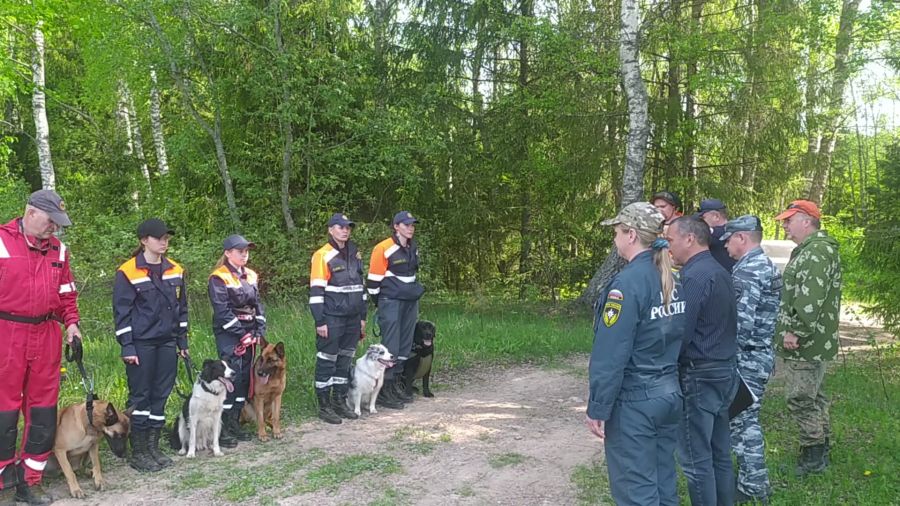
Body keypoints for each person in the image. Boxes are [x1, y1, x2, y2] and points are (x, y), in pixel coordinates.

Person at [586, 202, 686, 506]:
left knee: (636, 491)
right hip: (668, 394)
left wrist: (598, 406)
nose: (615, 238)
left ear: (631, 235)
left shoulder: (627, 284)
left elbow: (611, 352)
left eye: (617, 231)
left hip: (636, 402)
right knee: (663, 482)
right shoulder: (669, 277)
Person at [0, 189, 81, 505]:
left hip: (47, 335)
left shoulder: (59, 250)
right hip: (7, 333)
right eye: (51, 221)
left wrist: (71, 323)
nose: (55, 228)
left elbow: (67, 294)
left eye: (58, 223)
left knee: (43, 414)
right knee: (3, 413)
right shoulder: (2, 241)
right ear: (30, 213)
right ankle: (4, 482)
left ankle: (30, 480)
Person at [666, 216, 739, 506]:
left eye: (671, 239)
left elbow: (682, 330)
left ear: (689, 239)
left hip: (700, 375)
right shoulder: (720, 270)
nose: (668, 247)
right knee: (719, 453)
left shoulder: (694, 277)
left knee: (696, 460)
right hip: (724, 372)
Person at [113, 218, 188, 473]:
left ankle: (154, 446)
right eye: (159, 238)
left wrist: (183, 342)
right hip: (141, 344)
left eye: (167, 238)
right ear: (144, 240)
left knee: (160, 395)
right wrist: (127, 347)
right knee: (141, 396)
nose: (164, 242)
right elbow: (121, 314)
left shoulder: (176, 270)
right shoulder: (128, 271)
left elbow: (182, 309)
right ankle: (139, 450)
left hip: (167, 342)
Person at [774, 200, 841, 476]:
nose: (785, 227)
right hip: (814, 339)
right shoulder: (811, 250)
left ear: (806, 220)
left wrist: (796, 331)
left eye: (789, 221)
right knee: (815, 395)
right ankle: (820, 448)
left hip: (807, 341)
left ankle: (813, 457)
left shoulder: (816, 252)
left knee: (801, 397)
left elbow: (810, 297)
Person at [722, 215, 783, 504]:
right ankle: (751, 480)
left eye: (729, 239)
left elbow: (740, 325)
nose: (726, 246)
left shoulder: (748, 272)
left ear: (742, 238)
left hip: (746, 359)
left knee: (743, 422)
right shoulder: (763, 265)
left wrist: (722, 357)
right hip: (758, 356)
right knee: (744, 419)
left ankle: (753, 485)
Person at [309, 213, 367, 424]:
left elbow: (361, 287)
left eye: (348, 227)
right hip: (331, 317)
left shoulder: (355, 252)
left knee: (345, 360)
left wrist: (363, 317)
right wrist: (320, 320)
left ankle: (339, 401)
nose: (345, 230)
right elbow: (316, 291)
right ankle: (324, 405)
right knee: (327, 360)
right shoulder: (322, 255)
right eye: (340, 227)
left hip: (353, 317)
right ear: (330, 230)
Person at [209, 234, 266, 445]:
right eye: (240, 251)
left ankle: (235, 422)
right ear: (227, 253)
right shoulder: (219, 277)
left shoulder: (251, 275)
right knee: (230, 376)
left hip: (250, 333)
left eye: (246, 251)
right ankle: (222, 427)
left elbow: (258, 305)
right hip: (229, 334)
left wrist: (259, 330)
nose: (244, 254)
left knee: (244, 378)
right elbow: (222, 311)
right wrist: (243, 334)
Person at [366, 211, 424, 409]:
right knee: (391, 344)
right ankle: (384, 388)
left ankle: (397, 383)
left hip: (410, 301)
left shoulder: (413, 246)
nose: (410, 228)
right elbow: (373, 281)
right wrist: (379, 302)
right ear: (396, 226)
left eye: (412, 225)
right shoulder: (383, 248)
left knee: (405, 344)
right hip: (390, 301)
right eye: (406, 225)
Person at [696, 198, 736, 271]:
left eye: (703, 218)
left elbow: (717, 232)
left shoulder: (729, 231)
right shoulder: (732, 231)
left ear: (716, 216)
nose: (701, 221)